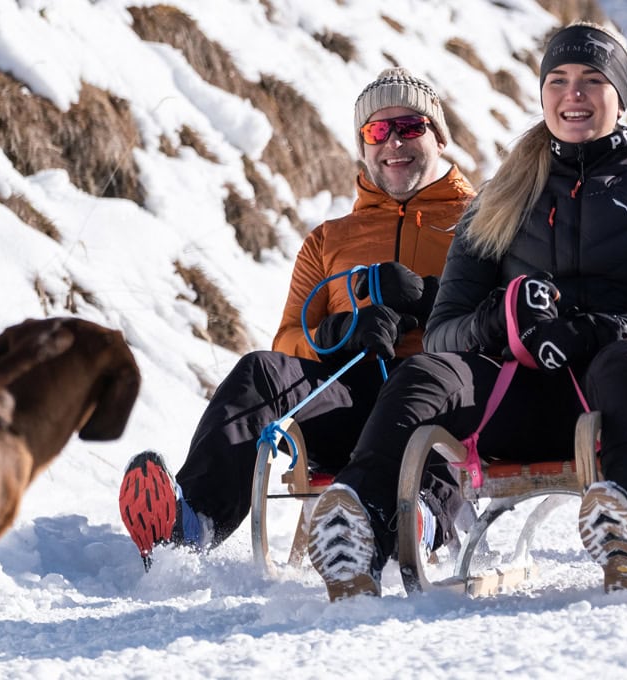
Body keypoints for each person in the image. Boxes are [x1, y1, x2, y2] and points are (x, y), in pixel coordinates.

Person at [300, 21, 627, 599]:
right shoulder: (500, 198)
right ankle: (360, 529)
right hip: (517, 399)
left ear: (619, 98)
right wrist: (496, 320)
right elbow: (444, 331)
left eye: (592, 80)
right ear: (543, 94)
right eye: (559, 80)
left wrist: (599, 331)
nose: (574, 94)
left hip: (619, 399)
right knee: (426, 371)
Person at [117, 68, 477, 567]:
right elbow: (288, 339)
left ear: (439, 137)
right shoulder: (330, 239)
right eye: (377, 130)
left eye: (410, 126)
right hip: (350, 401)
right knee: (260, 372)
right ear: (363, 146)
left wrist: (429, 302)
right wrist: (339, 333)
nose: (393, 142)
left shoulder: (479, 221)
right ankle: (192, 520)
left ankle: (417, 521)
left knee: (425, 385)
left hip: (441, 400)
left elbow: (504, 318)